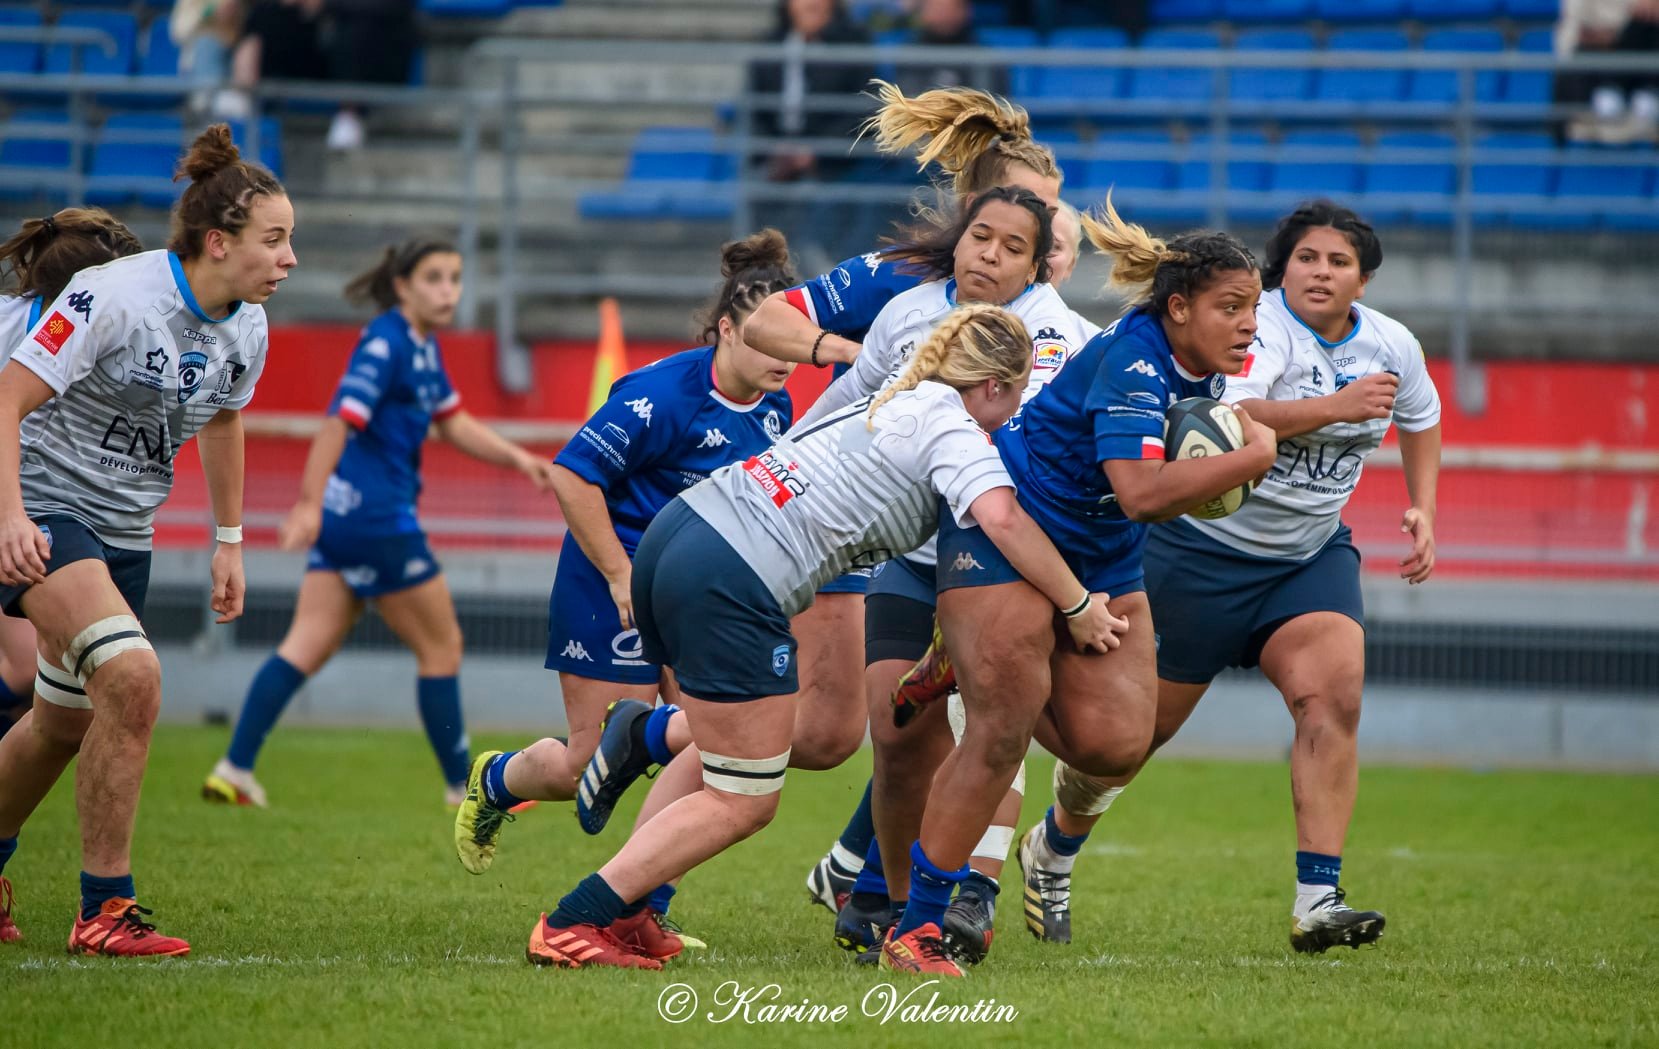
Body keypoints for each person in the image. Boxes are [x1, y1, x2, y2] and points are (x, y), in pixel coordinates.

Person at [524, 302, 1121, 971]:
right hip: (728, 571)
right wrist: (1076, 604)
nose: (1011, 419)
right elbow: (1004, 521)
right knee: (742, 796)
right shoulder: (954, 431)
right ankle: (572, 920)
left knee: (748, 753)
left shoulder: (895, 393)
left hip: (682, 531)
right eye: (1013, 400)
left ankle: (633, 876)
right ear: (993, 387)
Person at [1014, 200, 1441, 955]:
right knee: (1126, 739)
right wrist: (1335, 407)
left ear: (1363, 281)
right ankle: (1052, 848)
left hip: (1306, 556)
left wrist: (1422, 507)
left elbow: (1421, 414)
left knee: (1332, 695)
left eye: (1338, 261)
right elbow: (1241, 420)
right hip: (1199, 553)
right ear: (1283, 270)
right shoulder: (1251, 325)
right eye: (1307, 257)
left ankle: (1318, 897)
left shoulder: (1391, 344)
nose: (1320, 271)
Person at [884, 198, 1275, 975]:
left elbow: (1236, 431)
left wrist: (1282, 428)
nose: (1247, 325)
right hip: (1013, 533)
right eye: (1229, 308)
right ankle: (919, 926)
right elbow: (1137, 488)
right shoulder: (1131, 358)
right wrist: (1250, 460)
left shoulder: (1195, 367)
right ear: (1177, 308)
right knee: (1000, 729)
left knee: (1116, 743)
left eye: (1252, 309)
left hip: (1102, 558)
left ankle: (967, 662)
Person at [736, 80, 1065, 920]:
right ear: (973, 209)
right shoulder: (899, 286)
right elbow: (768, 323)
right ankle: (871, 877)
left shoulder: (1053, 323)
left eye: (1045, 221)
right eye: (1022, 211)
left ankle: (937, 898)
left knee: (980, 727)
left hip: (975, 549)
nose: (1048, 233)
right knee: (841, 731)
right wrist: (856, 355)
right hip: (860, 523)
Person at [448, 231, 797, 955]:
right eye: (770, 342)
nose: (783, 360)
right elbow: (574, 477)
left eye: (794, 345)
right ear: (727, 328)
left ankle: (632, 905)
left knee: (706, 739)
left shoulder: (775, 408)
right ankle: (498, 778)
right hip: (613, 575)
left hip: (694, 584)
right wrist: (617, 573)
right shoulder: (660, 395)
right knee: (588, 757)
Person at [0, 125, 292, 956]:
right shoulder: (114, 296)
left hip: (125, 533)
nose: (289, 259)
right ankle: (105, 909)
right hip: (47, 512)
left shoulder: (248, 327)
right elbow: (7, 398)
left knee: (60, 723)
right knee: (132, 677)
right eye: (274, 240)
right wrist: (12, 517)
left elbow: (226, 416)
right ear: (217, 241)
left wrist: (228, 539)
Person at [203, 238, 556, 809]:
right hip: (377, 519)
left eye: (455, 278)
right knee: (442, 648)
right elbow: (338, 423)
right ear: (403, 286)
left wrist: (519, 460)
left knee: (305, 646)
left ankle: (234, 767)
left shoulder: (419, 345)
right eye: (435, 278)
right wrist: (307, 503)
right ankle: (464, 786)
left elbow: (453, 421)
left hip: (350, 521)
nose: (449, 290)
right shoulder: (386, 344)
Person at [0, 208, 145, 945]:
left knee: (44, 699)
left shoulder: (97, 327)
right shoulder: (38, 329)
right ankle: (103, 904)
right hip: (16, 513)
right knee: (71, 680)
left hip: (38, 517)